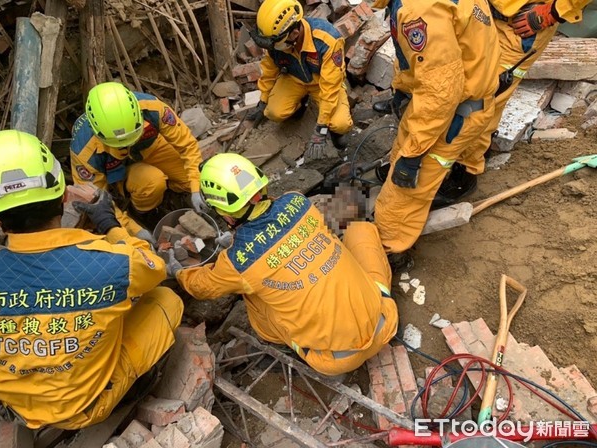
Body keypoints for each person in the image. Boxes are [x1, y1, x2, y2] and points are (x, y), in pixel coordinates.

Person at [0, 130, 183, 429]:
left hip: (22, 404)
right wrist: (108, 221)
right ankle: (123, 390)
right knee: (166, 300)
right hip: (82, 406)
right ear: (63, 196)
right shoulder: (112, 263)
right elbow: (154, 265)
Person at [167, 153, 397, 376]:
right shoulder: (298, 201)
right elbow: (275, 218)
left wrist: (179, 272)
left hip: (336, 358)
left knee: (253, 296)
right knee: (360, 229)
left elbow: (201, 286)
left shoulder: (237, 262)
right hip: (385, 320)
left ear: (223, 212)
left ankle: (285, 342)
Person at [370, 0, 502, 258]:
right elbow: (423, 62)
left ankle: (390, 249)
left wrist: (413, 157)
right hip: (472, 95)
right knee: (404, 149)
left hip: (454, 114)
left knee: (402, 193)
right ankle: (461, 175)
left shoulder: (419, 11)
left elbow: (439, 95)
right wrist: (403, 89)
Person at [432, 0, 593, 207]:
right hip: (484, 13)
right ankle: (475, 150)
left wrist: (555, 10)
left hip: (520, 25)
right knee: (470, 86)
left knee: (482, 101)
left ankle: (466, 171)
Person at [70, 82, 205, 235]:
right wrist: (134, 230)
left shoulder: (152, 108)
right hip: (116, 171)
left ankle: (170, 193)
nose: (128, 144)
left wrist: (195, 186)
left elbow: (187, 146)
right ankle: (146, 213)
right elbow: (96, 202)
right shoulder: (83, 150)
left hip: (151, 148)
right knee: (152, 182)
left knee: (196, 182)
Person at [248, 0, 353, 158]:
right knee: (273, 112)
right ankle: (300, 105)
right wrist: (262, 101)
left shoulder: (327, 40)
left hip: (322, 84)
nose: (271, 48)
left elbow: (330, 87)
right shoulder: (275, 40)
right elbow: (269, 70)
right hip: (294, 78)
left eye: (275, 44)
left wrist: (321, 129)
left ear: (294, 33)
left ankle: (333, 131)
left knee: (341, 124)